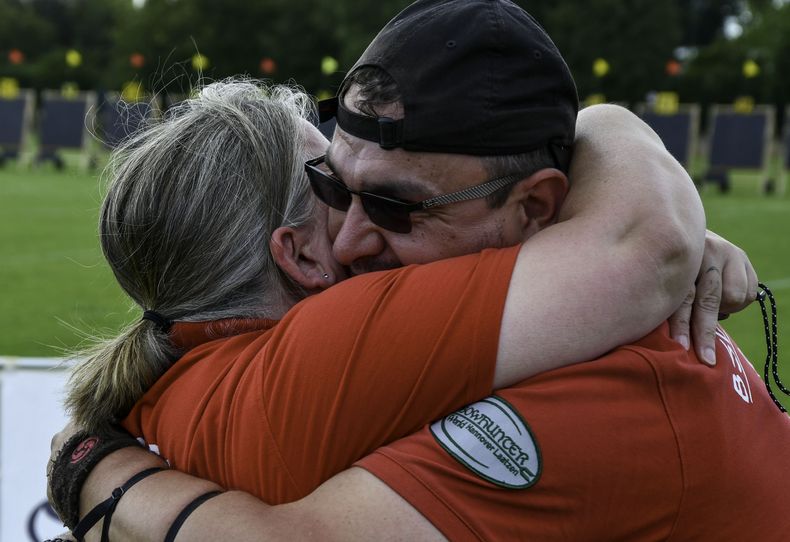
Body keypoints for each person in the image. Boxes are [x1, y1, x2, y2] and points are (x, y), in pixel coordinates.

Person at [48, 0, 768, 539]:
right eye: (333, 190)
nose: (358, 237)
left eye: (396, 206)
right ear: (293, 253)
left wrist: (96, 470)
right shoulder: (345, 346)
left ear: (535, 207)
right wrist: (616, 135)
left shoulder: (165, 379)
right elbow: (645, 249)